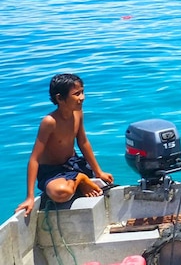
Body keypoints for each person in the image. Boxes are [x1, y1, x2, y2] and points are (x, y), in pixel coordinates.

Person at [16, 73, 113, 217]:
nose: (82, 98)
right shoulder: (49, 122)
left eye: (82, 92)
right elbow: (34, 159)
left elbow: (83, 141)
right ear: (60, 98)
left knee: (106, 183)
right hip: (52, 171)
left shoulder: (78, 112)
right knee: (62, 193)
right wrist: (30, 197)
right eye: (76, 94)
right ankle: (80, 178)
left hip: (72, 163)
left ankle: (78, 178)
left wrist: (98, 171)